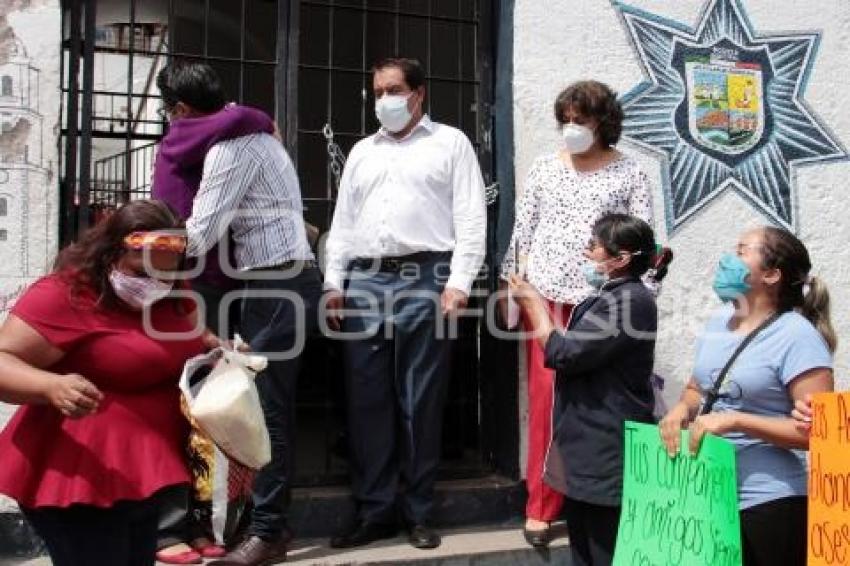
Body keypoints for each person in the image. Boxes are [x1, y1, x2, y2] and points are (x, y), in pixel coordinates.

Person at [157, 61, 322, 566]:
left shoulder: (231, 149)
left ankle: (269, 532)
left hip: (276, 284)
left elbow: (201, 233)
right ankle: (261, 522)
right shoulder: (250, 132)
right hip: (273, 280)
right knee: (260, 410)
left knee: (266, 414)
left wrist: (135, 244)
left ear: (182, 110)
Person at [323, 57, 486, 550]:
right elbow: (344, 221)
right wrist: (334, 282)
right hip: (366, 281)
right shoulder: (361, 152)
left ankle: (417, 510)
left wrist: (459, 282)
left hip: (427, 277)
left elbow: (471, 217)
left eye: (394, 89)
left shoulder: (450, 143)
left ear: (419, 94)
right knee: (367, 400)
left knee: (421, 399)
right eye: (377, 91)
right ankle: (375, 510)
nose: (384, 100)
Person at [0, 200, 209, 566]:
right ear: (110, 253)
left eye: (164, 275)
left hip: (145, 473)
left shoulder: (173, 292)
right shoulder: (64, 294)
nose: (153, 285)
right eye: (140, 273)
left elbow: (193, 335)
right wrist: (50, 386)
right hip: (78, 478)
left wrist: (220, 350)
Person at [499, 80, 654, 547]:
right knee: (548, 404)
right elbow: (522, 230)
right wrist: (513, 289)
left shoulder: (630, 174)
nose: (571, 129)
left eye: (580, 121)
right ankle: (541, 504)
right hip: (545, 298)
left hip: (605, 304)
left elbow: (646, 242)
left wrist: (640, 300)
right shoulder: (546, 168)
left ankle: (599, 500)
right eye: (565, 120)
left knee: (601, 405)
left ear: (603, 123)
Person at [659, 226, 835, 566]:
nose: (728, 258)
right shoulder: (718, 322)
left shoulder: (797, 336)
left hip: (769, 501)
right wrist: (681, 408)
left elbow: (821, 436)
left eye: (742, 251)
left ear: (770, 275)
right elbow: (698, 389)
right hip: (707, 495)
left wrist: (737, 421)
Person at [508, 213, 670, 566]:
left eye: (595, 246)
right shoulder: (610, 296)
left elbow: (565, 354)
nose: (588, 253)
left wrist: (535, 306)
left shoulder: (629, 302)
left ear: (621, 259)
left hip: (605, 452)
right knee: (581, 546)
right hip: (585, 450)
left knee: (602, 549)